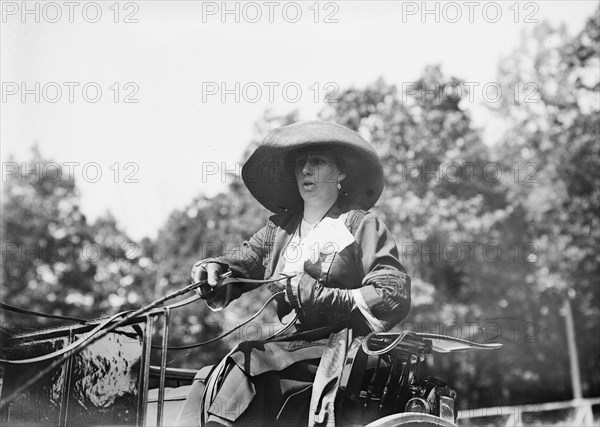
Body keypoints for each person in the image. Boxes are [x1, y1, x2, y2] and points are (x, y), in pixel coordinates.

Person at [175, 120, 411, 427]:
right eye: (300, 164)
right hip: (286, 347)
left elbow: (392, 294)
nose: (306, 171)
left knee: (248, 360)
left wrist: (324, 297)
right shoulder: (279, 229)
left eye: (317, 162)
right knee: (209, 378)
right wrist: (213, 270)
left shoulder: (362, 225)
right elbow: (242, 263)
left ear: (340, 173)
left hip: (337, 351)